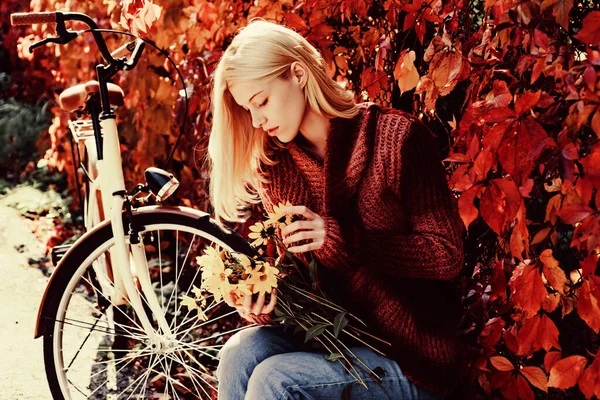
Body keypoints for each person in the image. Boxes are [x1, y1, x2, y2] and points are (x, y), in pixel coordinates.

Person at [206, 18, 465, 400]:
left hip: (413, 360)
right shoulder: (278, 169)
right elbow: (302, 279)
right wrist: (265, 298)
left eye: (260, 101)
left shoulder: (397, 139)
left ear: (298, 74)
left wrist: (348, 241)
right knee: (240, 352)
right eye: (248, 110)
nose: (257, 120)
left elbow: (447, 255)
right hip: (335, 341)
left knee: (275, 379)